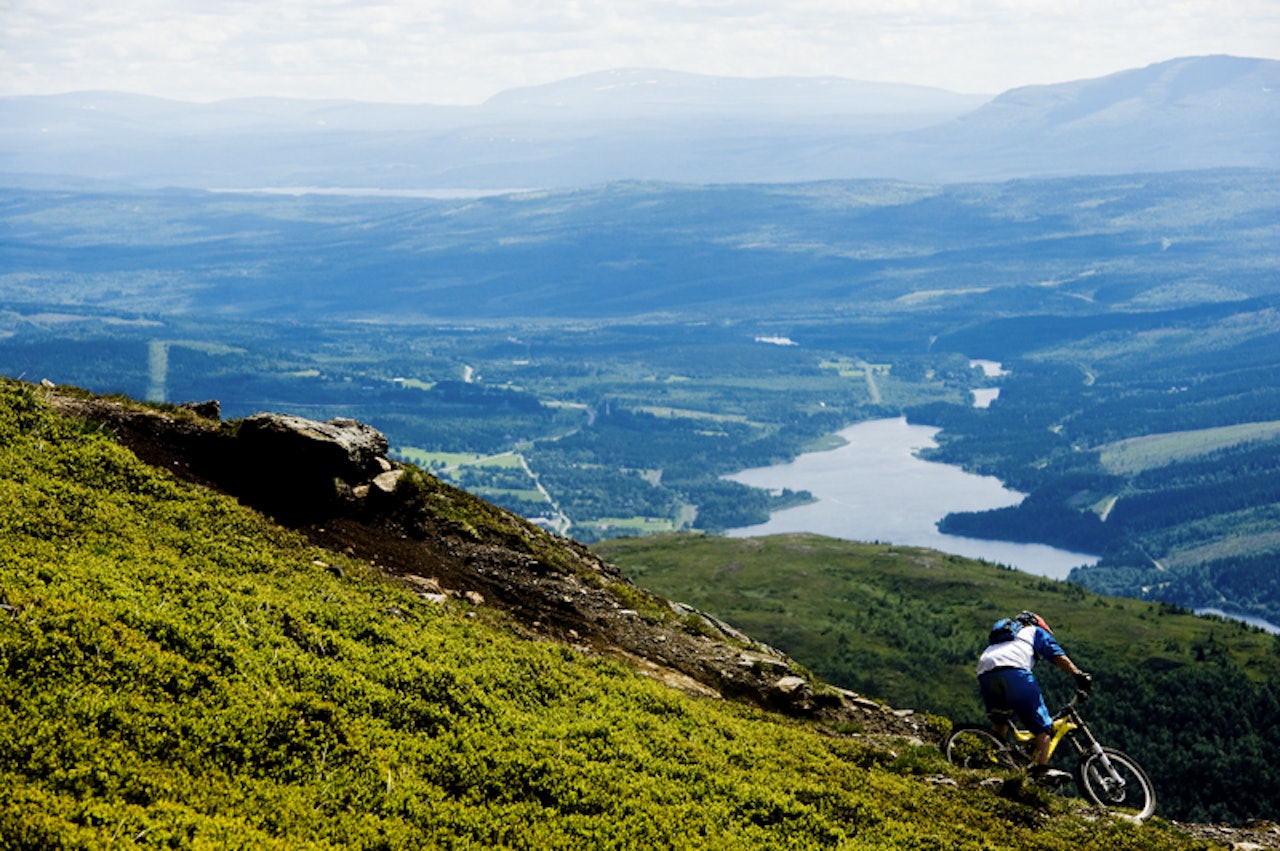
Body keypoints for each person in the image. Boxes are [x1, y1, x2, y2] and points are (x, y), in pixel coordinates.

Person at [976, 610, 1092, 783]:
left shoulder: (1005, 636)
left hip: (985, 671)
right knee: (1043, 728)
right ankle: (1041, 771)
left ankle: (992, 758)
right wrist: (1078, 674)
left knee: (1001, 721)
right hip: (1014, 671)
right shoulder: (1035, 631)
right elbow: (1057, 656)